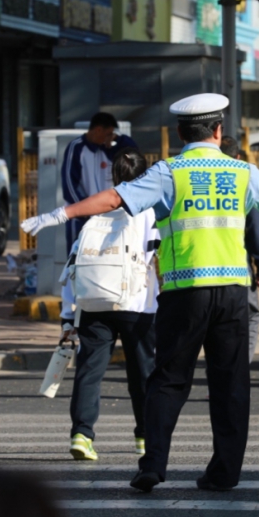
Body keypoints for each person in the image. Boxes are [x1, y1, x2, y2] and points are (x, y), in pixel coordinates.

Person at [22, 93, 259, 492]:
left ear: (180, 133)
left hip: (184, 293)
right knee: (230, 384)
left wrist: (59, 214)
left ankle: (152, 465)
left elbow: (116, 197)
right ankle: (223, 474)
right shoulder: (242, 172)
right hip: (232, 292)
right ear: (219, 131)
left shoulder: (171, 172)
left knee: (168, 380)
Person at [61, 148, 159, 460]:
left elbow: (73, 264)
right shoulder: (152, 213)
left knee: (89, 370)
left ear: (113, 177)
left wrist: (67, 315)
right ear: (145, 177)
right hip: (138, 305)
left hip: (93, 304)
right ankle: (145, 436)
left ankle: (81, 434)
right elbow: (158, 260)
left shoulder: (96, 214)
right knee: (142, 373)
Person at [61, 112, 138, 254]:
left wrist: (116, 138)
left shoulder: (109, 149)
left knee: (103, 260)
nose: (109, 138)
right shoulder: (77, 147)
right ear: (98, 130)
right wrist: (84, 209)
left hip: (107, 219)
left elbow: (133, 150)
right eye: (108, 133)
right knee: (76, 261)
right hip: (81, 219)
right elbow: (69, 184)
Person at [220, 136, 259, 363]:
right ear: (237, 157)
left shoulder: (199, 182)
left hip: (202, 267)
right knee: (251, 315)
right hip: (239, 268)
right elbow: (255, 231)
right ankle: (240, 369)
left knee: (216, 325)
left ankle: (215, 376)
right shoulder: (243, 182)